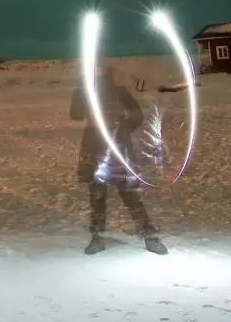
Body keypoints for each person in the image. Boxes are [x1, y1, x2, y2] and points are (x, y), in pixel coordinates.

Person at [70, 61, 166, 255]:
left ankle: (147, 235)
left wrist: (121, 131)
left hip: (115, 151)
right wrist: (80, 93)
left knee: (124, 196)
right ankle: (103, 236)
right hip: (98, 149)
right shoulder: (89, 92)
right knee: (101, 196)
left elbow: (136, 115)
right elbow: (76, 114)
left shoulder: (118, 92)